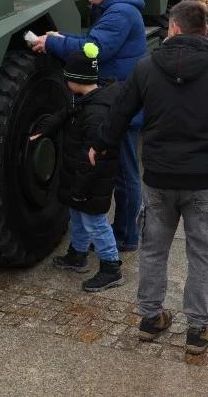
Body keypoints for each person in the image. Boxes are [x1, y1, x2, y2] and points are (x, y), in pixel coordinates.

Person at [92, 0, 208, 355]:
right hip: (205, 181)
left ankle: (151, 318)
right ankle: (198, 329)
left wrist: (100, 145)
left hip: (159, 177)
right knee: (202, 254)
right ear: (204, 31)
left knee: (152, 251)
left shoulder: (146, 67)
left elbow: (120, 112)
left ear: (175, 28)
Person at [30, 0, 147, 251]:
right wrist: (62, 39)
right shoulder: (118, 9)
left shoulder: (119, 13)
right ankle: (123, 232)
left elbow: (94, 48)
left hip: (121, 105)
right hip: (121, 100)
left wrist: (54, 43)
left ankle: (126, 236)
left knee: (126, 174)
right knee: (124, 171)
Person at [36, 44, 124, 292]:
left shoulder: (96, 114)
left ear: (76, 80)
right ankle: (78, 254)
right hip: (80, 179)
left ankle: (111, 267)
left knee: (95, 222)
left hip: (90, 183)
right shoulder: (89, 101)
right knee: (78, 216)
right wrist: (48, 127)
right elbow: (68, 112)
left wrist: (80, 188)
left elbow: (91, 160)